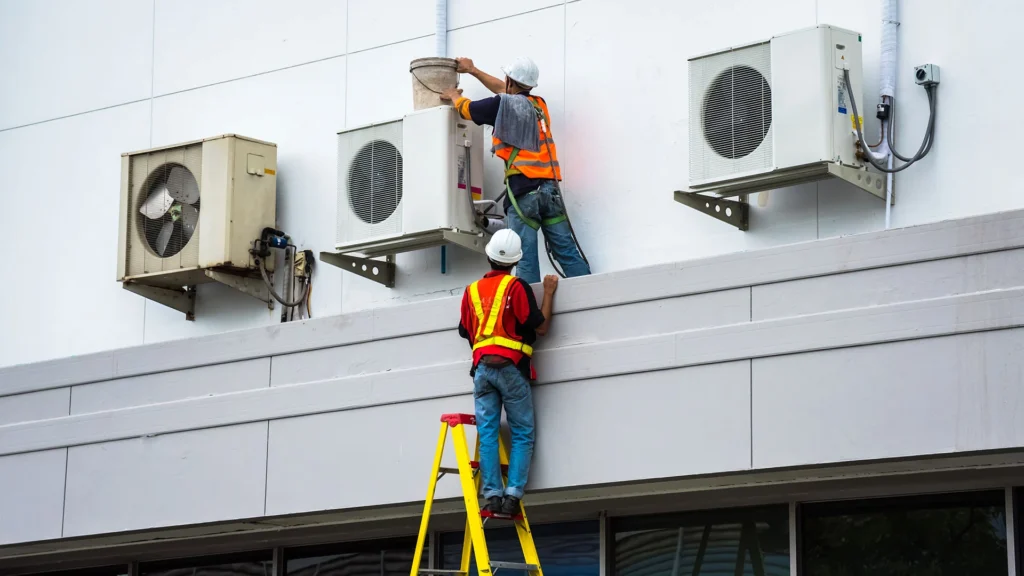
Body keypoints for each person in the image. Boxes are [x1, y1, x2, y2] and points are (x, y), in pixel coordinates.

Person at [441, 56, 591, 285]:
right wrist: (473, 71)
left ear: (509, 80)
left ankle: (528, 310)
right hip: (550, 191)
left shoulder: (502, 104)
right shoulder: (539, 105)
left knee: (525, 259)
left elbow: (469, 110)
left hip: (523, 192)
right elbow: (506, 90)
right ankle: (590, 292)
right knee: (566, 251)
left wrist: (453, 96)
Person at [457, 228, 558, 516]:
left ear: (489, 255)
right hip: (511, 369)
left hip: (482, 371)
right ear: (516, 261)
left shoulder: (471, 291)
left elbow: (466, 330)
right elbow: (540, 327)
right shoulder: (516, 287)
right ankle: (512, 495)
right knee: (523, 432)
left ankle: (492, 496)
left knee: (487, 433)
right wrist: (548, 293)